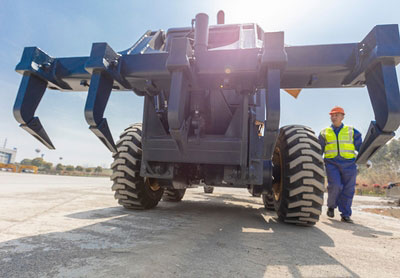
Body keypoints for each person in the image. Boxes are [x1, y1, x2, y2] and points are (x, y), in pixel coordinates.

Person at [319, 106, 362, 223]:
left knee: (349, 189)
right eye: (332, 115)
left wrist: (365, 158)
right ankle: (331, 206)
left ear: (343, 116)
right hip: (332, 163)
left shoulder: (351, 130)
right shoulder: (324, 132)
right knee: (335, 185)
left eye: (336, 115)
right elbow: (319, 150)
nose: (334, 117)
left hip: (349, 164)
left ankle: (346, 214)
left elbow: (360, 146)